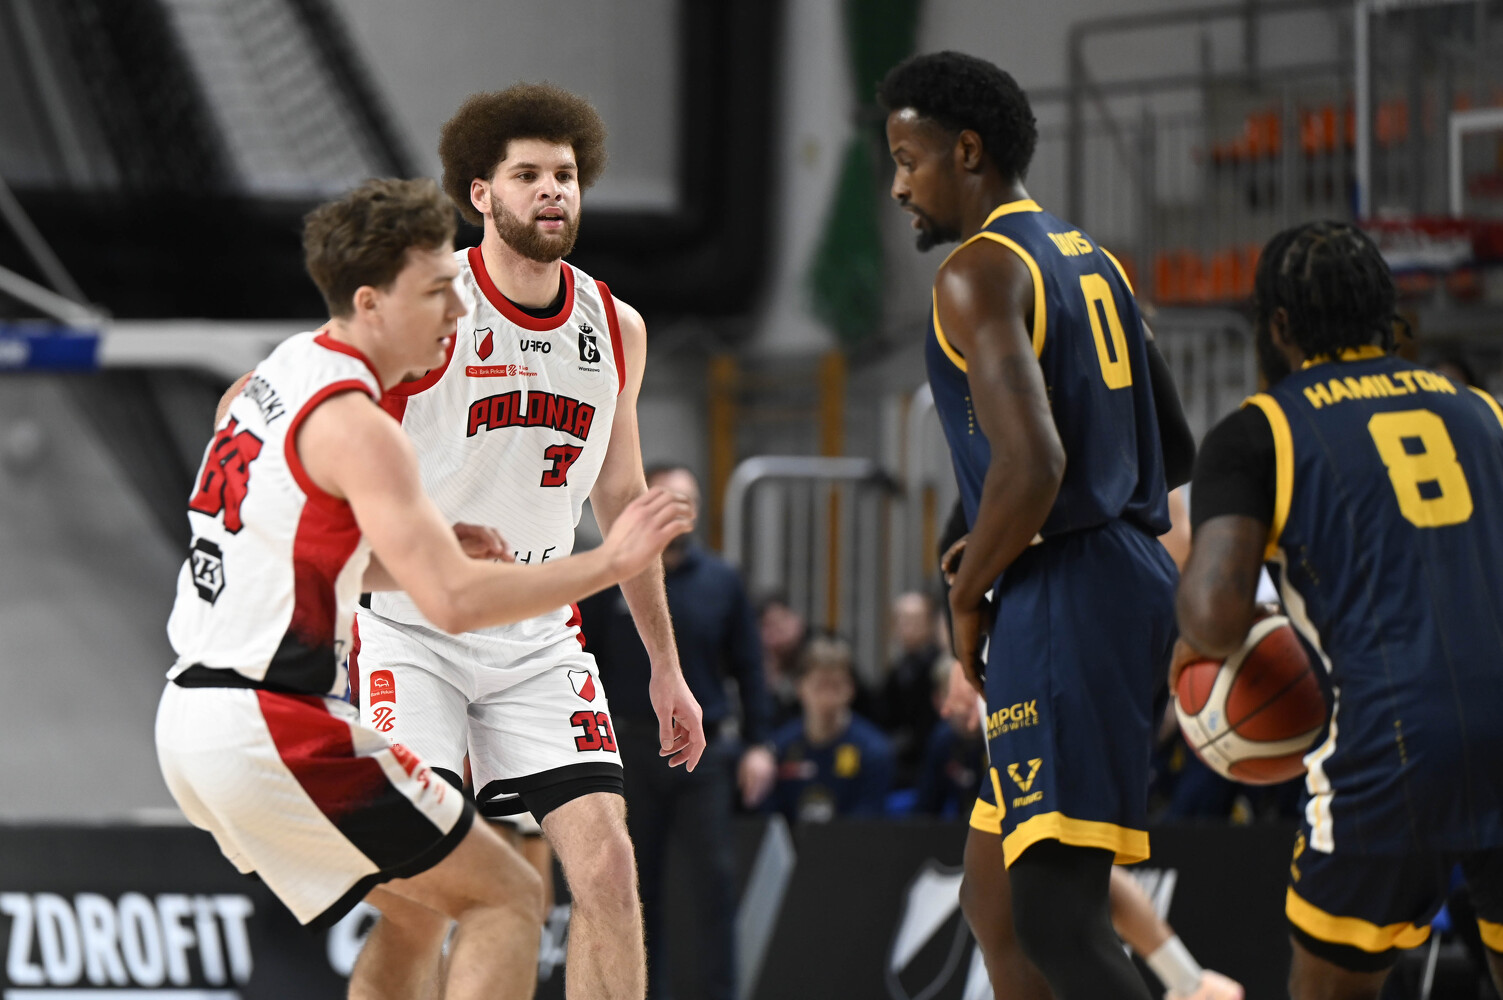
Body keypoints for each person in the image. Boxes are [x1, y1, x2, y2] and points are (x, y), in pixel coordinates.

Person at [154, 178, 694, 1000]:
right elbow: (454, 603)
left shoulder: (279, 375)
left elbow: (295, 535)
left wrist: (417, 545)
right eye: (436, 291)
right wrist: (610, 561)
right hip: (268, 720)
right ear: (371, 303)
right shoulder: (357, 423)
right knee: (507, 897)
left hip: (200, 714)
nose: (455, 309)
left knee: (430, 909)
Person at [349, 84, 706, 1000]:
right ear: (480, 194)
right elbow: (332, 424)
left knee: (609, 868)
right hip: (411, 625)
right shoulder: (433, 305)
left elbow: (621, 499)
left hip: (537, 636)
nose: (553, 190)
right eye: (528, 175)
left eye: (566, 175)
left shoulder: (614, 327)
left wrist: (665, 667)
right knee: (417, 897)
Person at [881, 51, 1196, 999]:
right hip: (1108, 575)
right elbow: (1172, 444)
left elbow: (1033, 465)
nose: (898, 187)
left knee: (1057, 916)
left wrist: (964, 592)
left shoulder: (977, 271)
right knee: (998, 904)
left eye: (907, 160)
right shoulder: (1092, 259)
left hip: (1066, 591)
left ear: (967, 152)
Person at [1174, 221, 1503, 999]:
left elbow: (1216, 619)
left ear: (1277, 325)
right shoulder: (1482, 412)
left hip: (1392, 744)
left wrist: (1186, 638)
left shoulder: (1258, 432)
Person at [576, 463, 773, 1000]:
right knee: (635, 885)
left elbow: (750, 667)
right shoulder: (612, 574)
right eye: (667, 496)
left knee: (713, 883)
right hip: (629, 748)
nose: (679, 508)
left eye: (688, 499)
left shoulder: (722, 581)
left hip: (702, 751)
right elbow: (582, 658)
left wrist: (760, 744)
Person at [766, 634, 894, 824]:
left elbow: (867, 823)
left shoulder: (874, 750)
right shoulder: (779, 748)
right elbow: (768, 816)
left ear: (851, 689)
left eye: (836, 687)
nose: (827, 698)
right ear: (800, 688)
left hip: (849, 841)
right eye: (819, 686)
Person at [875, 591, 944, 788]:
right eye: (902, 620)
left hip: (931, 763)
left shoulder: (941, 668)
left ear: (930, 624)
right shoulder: (897, 671)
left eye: (915, 620)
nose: (907, 627)